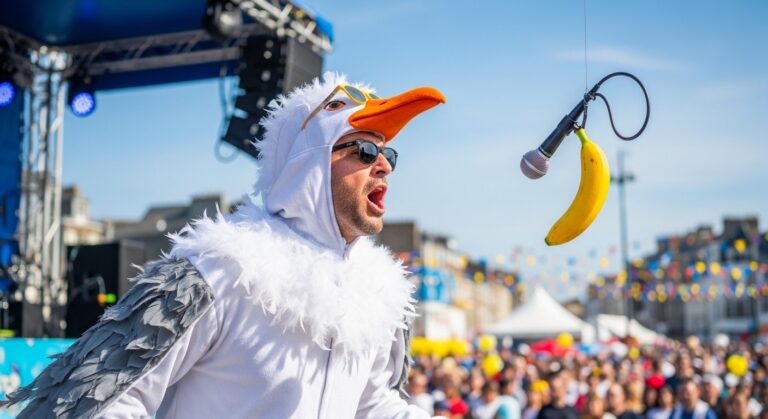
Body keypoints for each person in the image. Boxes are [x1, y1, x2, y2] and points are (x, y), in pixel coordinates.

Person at [3, 72, 446, 418]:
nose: (383, 166)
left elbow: (368, 407)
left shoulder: (376, 297)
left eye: (388, 155)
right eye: (364, 152)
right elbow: (111, 401)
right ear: (307, 163)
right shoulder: (222, 269)